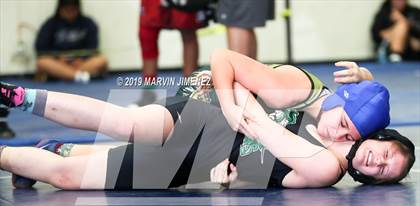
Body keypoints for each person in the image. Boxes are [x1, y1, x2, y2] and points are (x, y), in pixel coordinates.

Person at [0, 50, 415, 189]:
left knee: (68, 177)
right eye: (380, 153)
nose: (375, 163)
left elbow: (255, 125)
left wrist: (238, 99)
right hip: (205, 117)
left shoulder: (328, 166)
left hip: (195, 161)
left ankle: (23, 153)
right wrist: (229, 99)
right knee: (126, 120)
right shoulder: (303, 88)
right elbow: (224, 61)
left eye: (382, 171)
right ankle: (18, 95)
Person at [35, 0, 107, 83]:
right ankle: (79, 76)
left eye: (72, 9)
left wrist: (82, 59)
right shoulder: (50, 24)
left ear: (78, 9)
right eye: (66, 10)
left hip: (81, 63)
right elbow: (41, 48)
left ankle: (67, 75)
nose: (70, 12)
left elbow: (93, 48)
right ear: (60, 9)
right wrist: (58, 59)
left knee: (101, 60)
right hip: (58, 63)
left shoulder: (88, 23)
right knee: (42, 62)